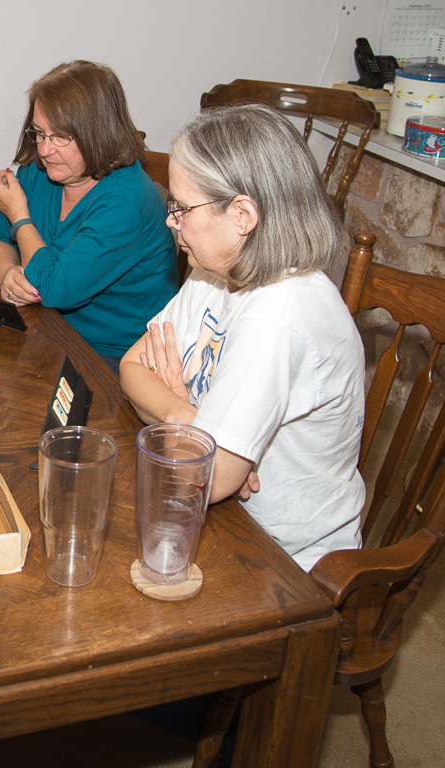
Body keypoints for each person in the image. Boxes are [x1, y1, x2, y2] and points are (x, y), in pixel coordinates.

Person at [120, 103, 365, 571]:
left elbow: (203, 480)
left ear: (242, 215)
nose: (171, 221)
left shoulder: (279, 314)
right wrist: (185, 418)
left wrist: (187, 437)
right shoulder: (216, 271)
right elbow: (131, 367)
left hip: (284, 558)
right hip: (232, 521)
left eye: (180, 207)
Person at [0, 60, 178, 372]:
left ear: (97, 133)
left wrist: (19, 215)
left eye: (60, 136)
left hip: (119, 358)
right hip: (48, 331)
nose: (45, 149)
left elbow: (55, 289)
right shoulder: (41, 171)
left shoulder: (125, 201)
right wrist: (6, 275)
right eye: (39, 133)